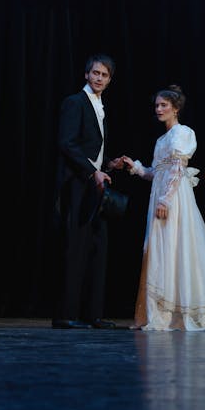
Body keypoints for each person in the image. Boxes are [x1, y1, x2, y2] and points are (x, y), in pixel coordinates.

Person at [123, 85, 205, 332]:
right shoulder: (161, 139)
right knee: (161, 249)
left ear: (175, 108)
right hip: (160, 193)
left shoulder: (182, 133)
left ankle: (180, 311)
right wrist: (135, 167)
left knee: (176, 246)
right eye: (157, 106)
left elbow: (177, 169)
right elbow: (156, 172)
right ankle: (162, 312)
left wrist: (165, 200)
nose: (158, 110)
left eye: (163, 105)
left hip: (174, 198)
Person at [52, 53, 125, 329]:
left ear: (109, 80)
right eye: (95, 73)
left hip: (94, 183)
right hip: (76, 184)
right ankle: (65, 314)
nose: (99, 78)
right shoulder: (75, 102)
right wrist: (91, 170)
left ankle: (91, 314)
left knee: (97, 248)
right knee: (75, 246)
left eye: (104, 75)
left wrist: (108, 164)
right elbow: (67, 144)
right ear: (86, 75)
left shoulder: (101, 107)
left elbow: (93, 150)